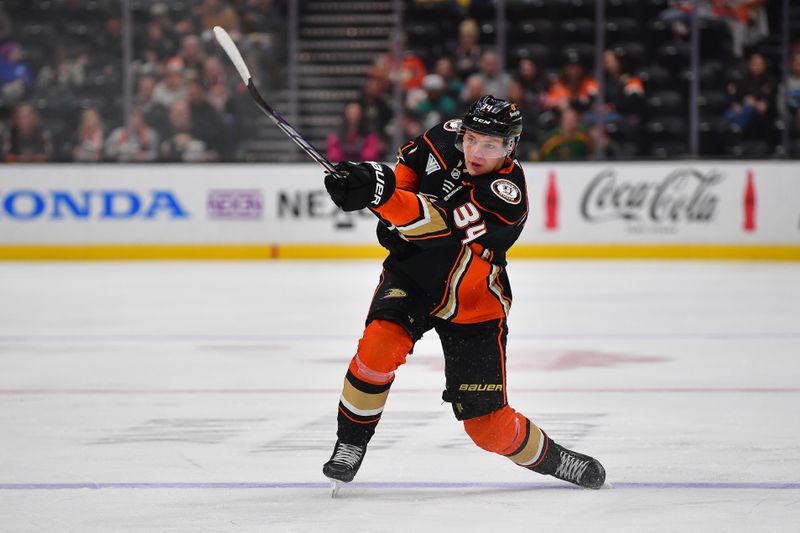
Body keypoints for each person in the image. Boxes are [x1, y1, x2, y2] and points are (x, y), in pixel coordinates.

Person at [321, 95, 606, 492]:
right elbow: (408, 172)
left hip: (474, 303)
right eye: (472, 139)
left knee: (487, 428)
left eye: (490, 145)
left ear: (510, 147)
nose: (476, 151)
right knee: (376, 351)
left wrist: (383, 199)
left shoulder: (507, 195)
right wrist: (376, 189)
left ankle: (557, 458)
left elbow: (437, 227)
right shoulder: (442, 137)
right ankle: (349, 444)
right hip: (414, 278)